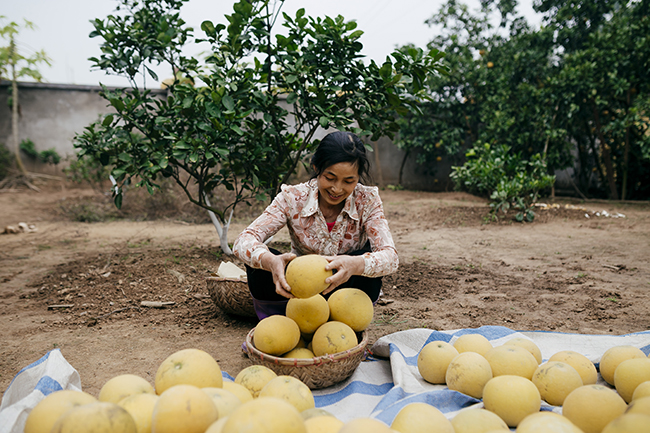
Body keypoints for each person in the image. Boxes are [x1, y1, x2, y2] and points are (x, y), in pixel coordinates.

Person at [232, 131, 399, 319]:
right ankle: (282, 318)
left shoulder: (367, 200)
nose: (337, 189)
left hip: (346, 292)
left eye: (349, 181)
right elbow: (243, 241)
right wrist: (270, 261)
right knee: (260, 260)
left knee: (363, 257)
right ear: (316, 167)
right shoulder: (292, 197)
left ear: (358, 177)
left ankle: (347, 316)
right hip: (299, 292)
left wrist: (356, 264)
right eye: (330, 177)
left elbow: (390, 257)